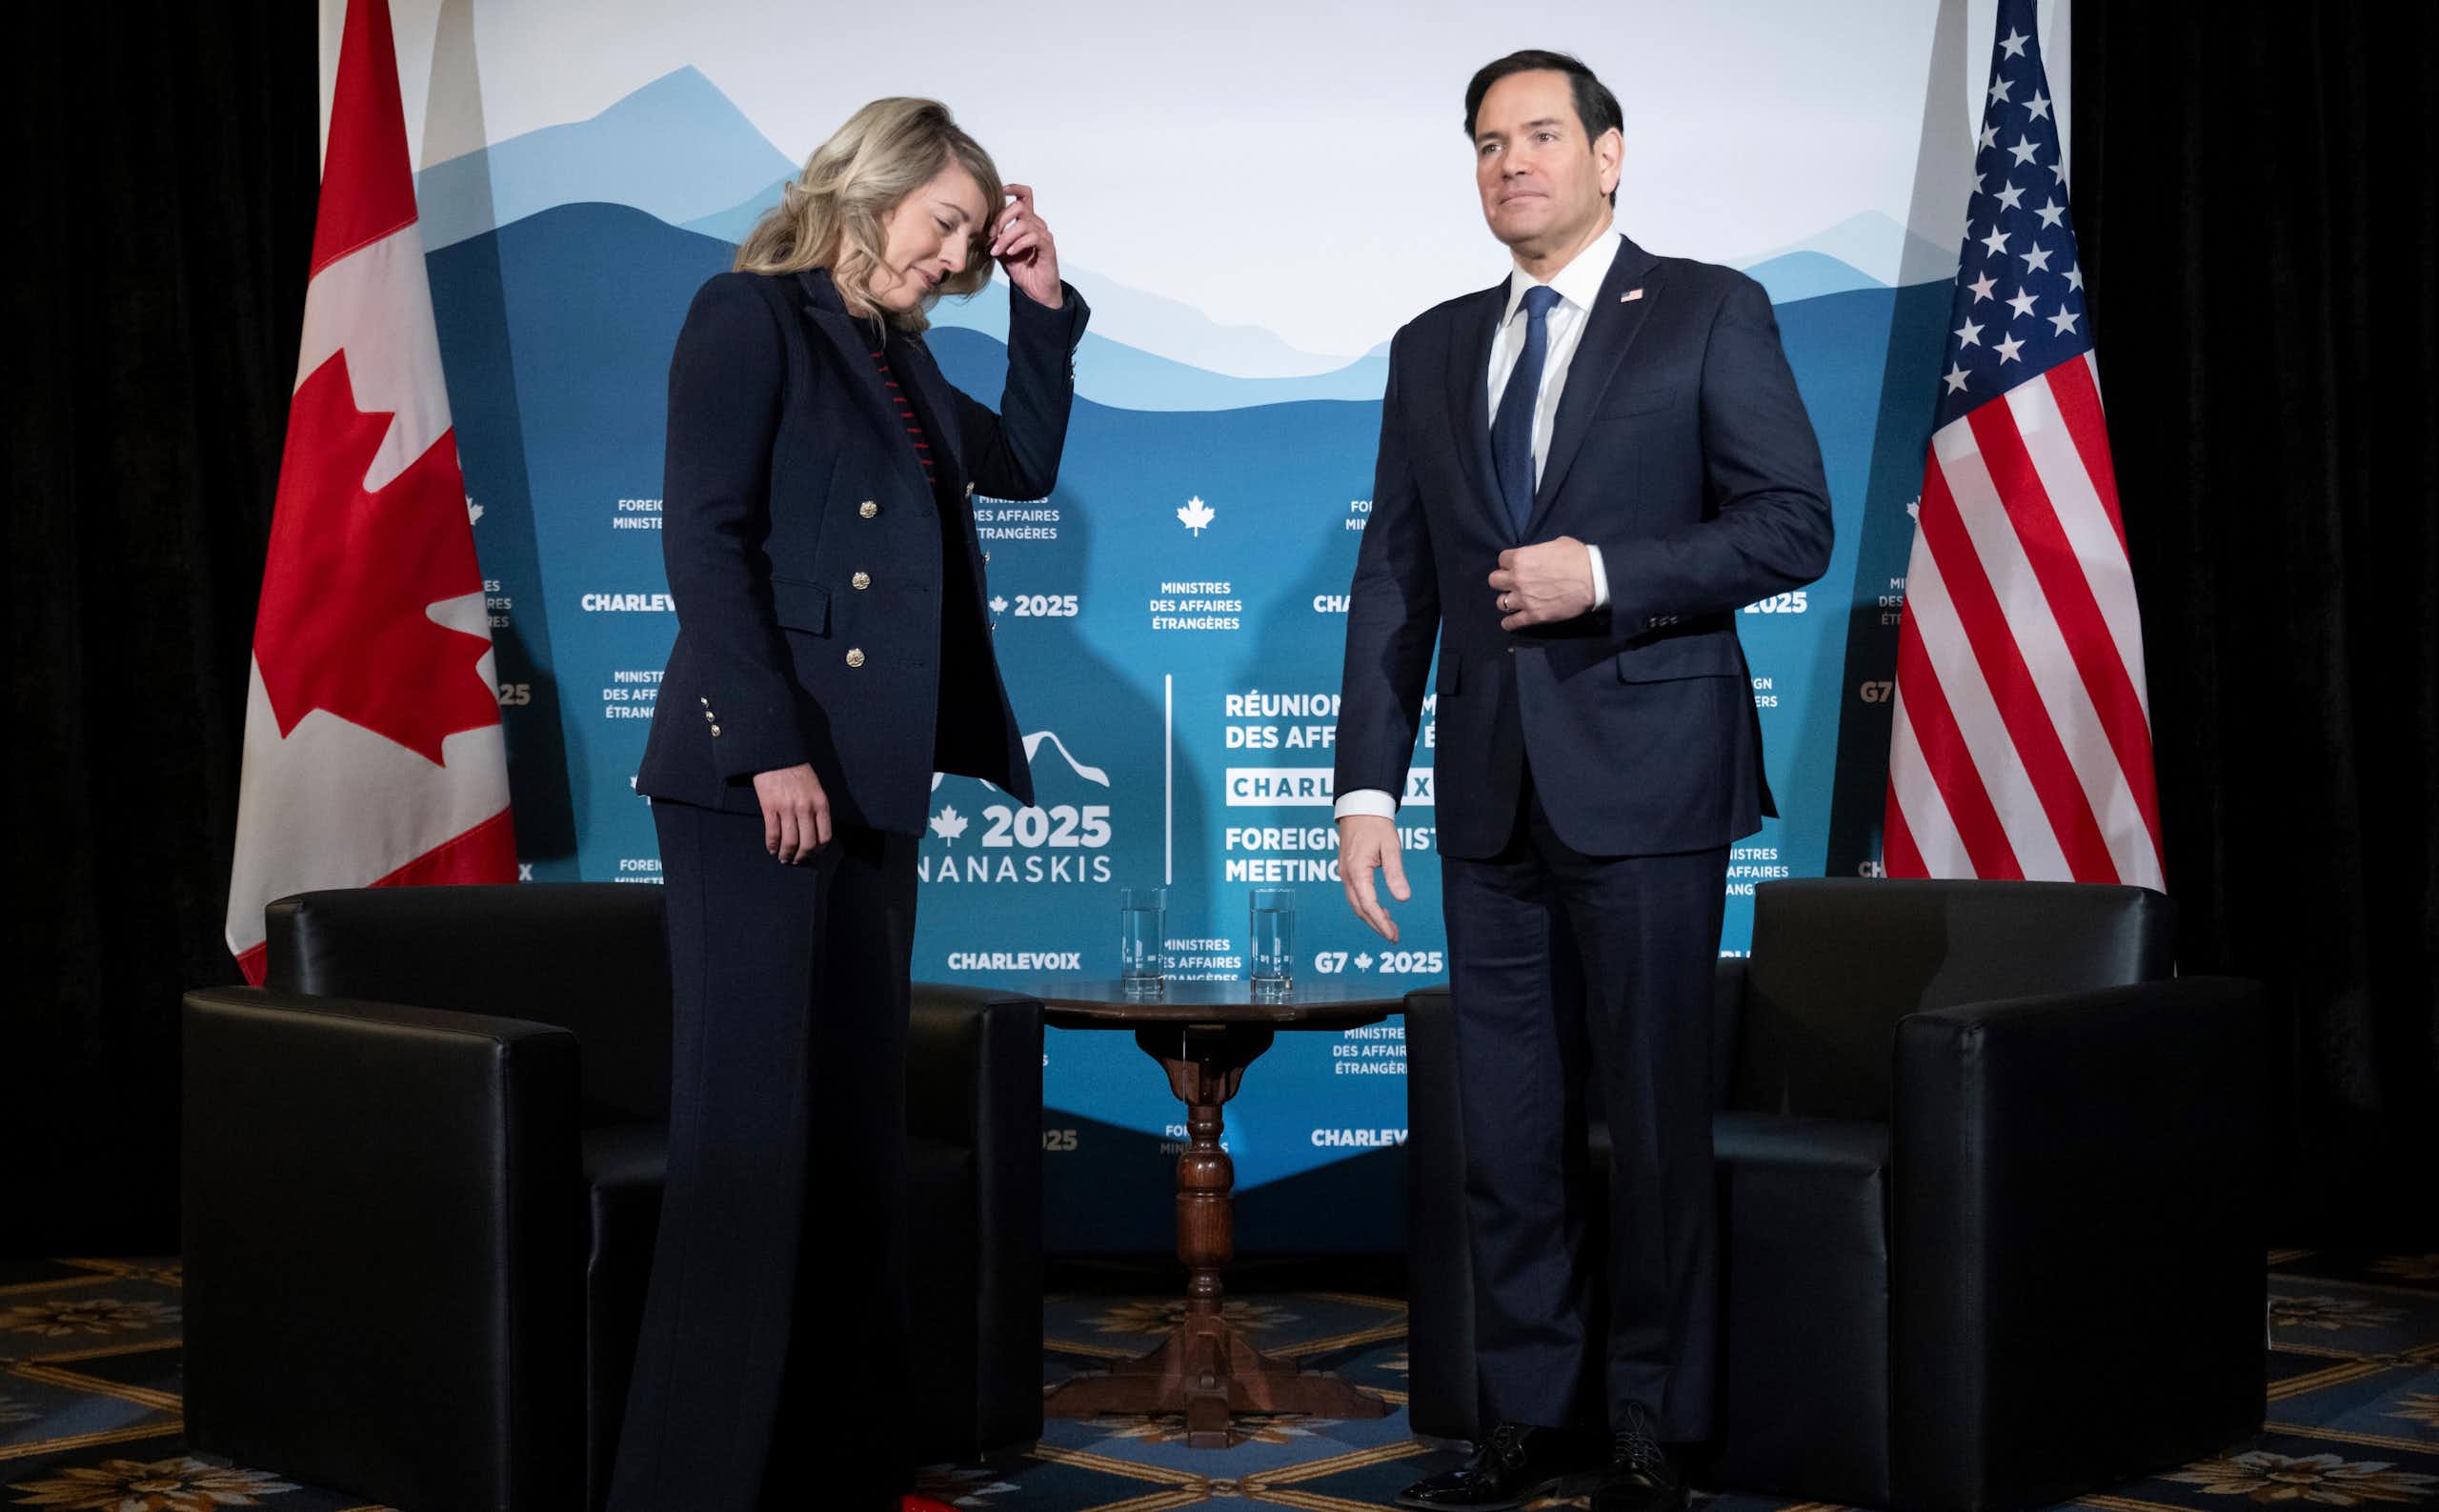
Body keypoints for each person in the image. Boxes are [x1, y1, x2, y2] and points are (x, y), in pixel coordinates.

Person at [1332, 50, 1833, 1512]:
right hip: (1484, 798)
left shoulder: (1706, 310)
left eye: (1542, 136)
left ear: (1611, 156)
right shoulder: (1431, 344)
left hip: (1651, 779)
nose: (1512, 164)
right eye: (1489, 143)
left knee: (1657, 1114)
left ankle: (1648, 1423)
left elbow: (1791, 524)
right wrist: (1366, 789)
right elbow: (1394, 582)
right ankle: (1524, 1413)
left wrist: (1608, 573)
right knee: (1509, 1126)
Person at [613, 97, 1085, 1512]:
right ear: (868, 190)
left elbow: (1025, 465)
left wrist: (1041, 302)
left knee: (850, 1143)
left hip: (869, 788)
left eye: (966, 237)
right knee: (751, 1142)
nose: (950, 257)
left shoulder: (898, 363)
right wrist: (767, 749)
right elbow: (705, 537)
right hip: (754, 784)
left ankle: (840, 1468)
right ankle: (698, 1484)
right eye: (943, 224)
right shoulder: (748, 315)